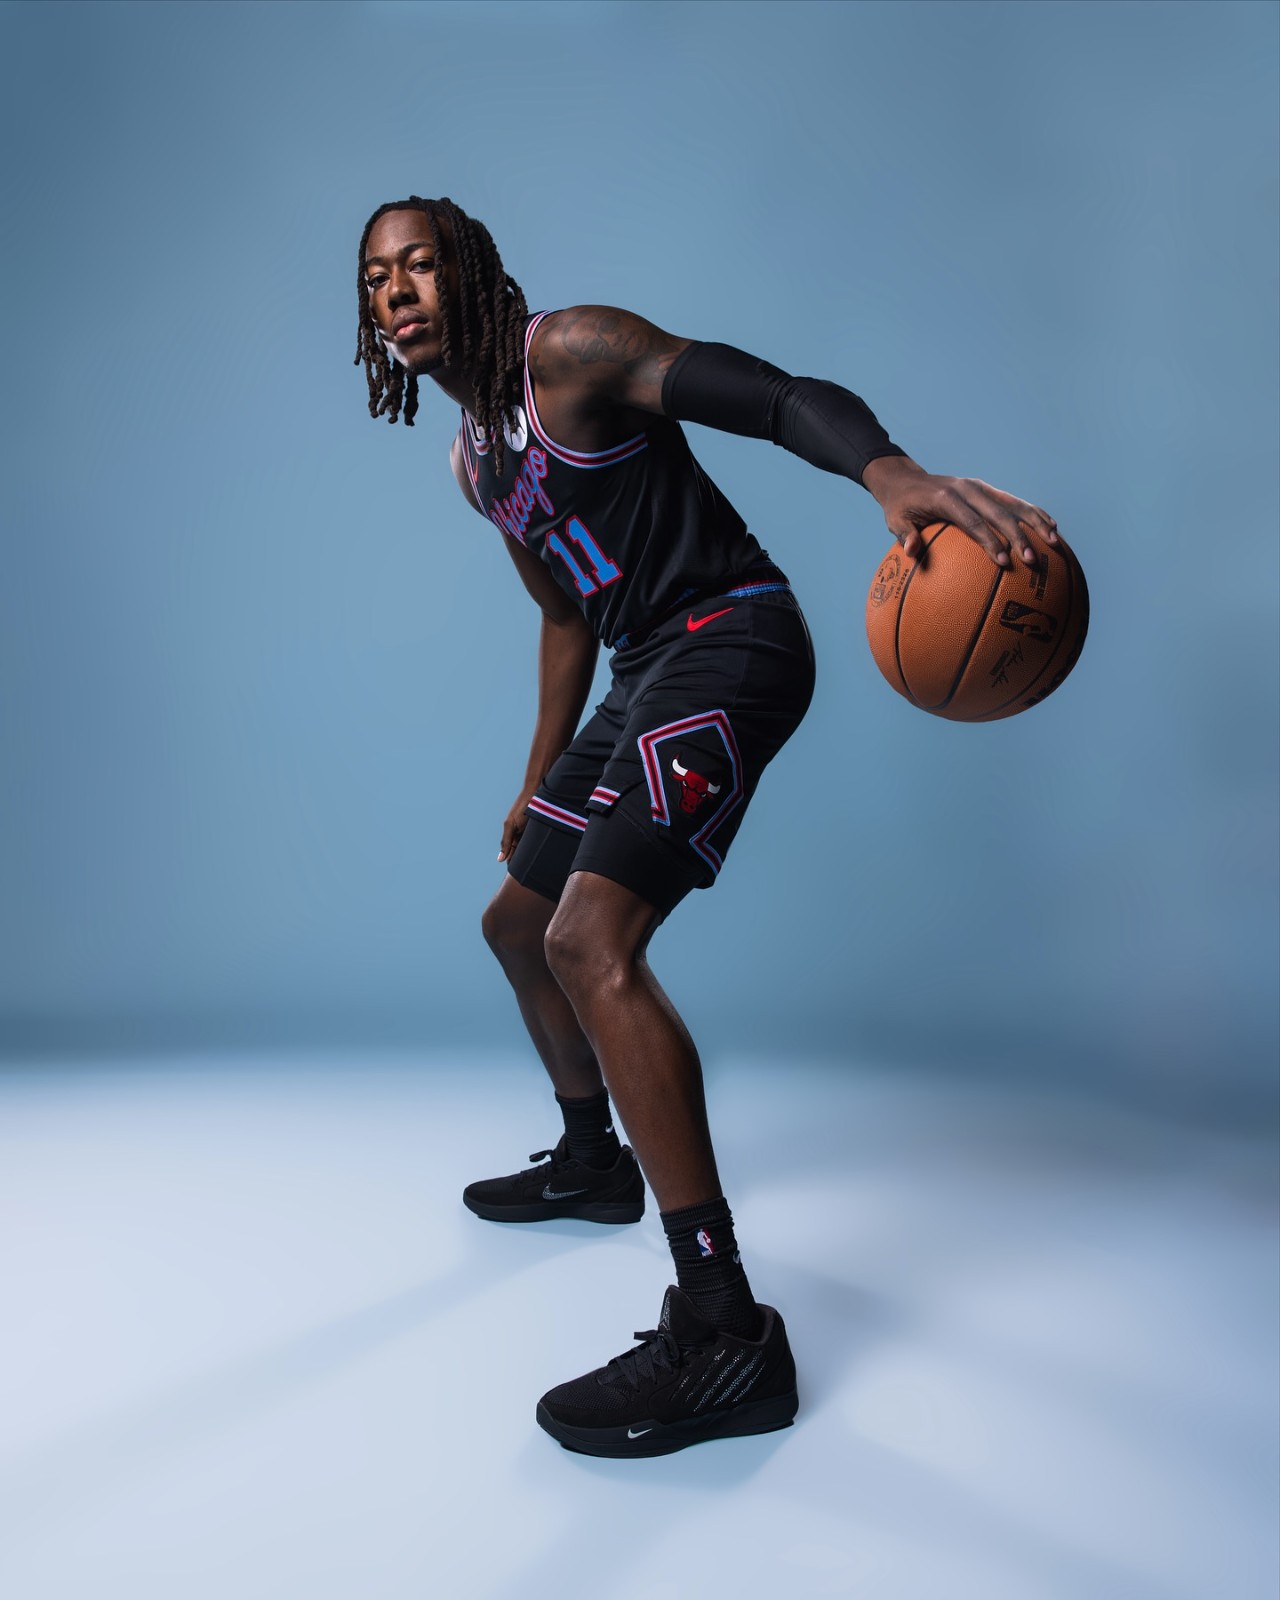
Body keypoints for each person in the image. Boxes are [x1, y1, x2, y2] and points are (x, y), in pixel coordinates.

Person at [354, 195, 1059, 1458]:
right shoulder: (475, 457)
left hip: (732, 637)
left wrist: (887, 471)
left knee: (588, 942)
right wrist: (537, 776)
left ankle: (726, 1331)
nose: (397, 291)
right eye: (375, 278)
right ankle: (592, 1162)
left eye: (420, 265)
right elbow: (565, 613)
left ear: (471, 274)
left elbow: (775, 397)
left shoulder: (573, 352)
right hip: (641, 667)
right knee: (516, 922)